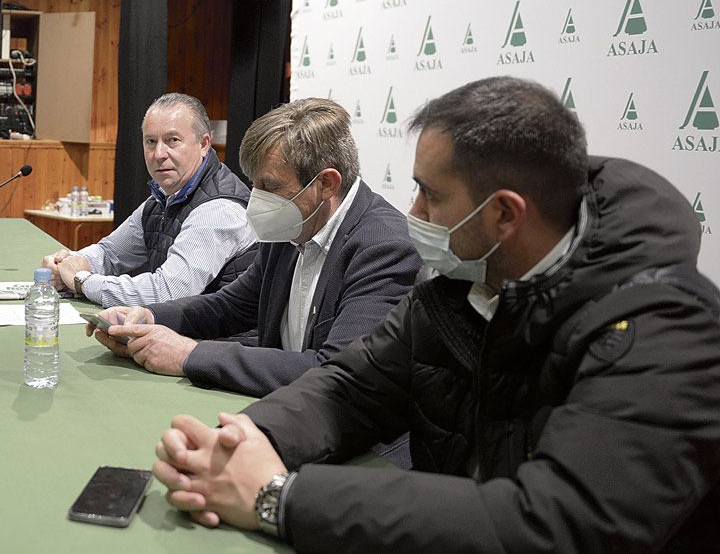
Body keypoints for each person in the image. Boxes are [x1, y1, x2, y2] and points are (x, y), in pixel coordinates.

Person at [150, 76, 720, 551]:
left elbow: (558, 521)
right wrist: (247, 439)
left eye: (430, 195)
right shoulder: (461, 286)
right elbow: (351, 386)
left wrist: (279, 498)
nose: (413, 210)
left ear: (505, 215)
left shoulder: (666, 333)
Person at [91, 99, 421, 405]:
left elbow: (335, 371)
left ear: (327, 184)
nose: (257, 199)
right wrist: (147, 316)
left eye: (270, 186)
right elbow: (231, 306)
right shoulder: (292, 225)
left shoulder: (385, 248)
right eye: (255, 184)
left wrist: (191, 355)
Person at [41, 93, 257, 306]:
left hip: (222, 339)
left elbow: (166, 292)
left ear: (204, 144)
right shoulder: (163, 198)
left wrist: (82, 281)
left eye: (172, 140)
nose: (158, 153)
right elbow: (111, 252)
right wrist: (70, 263)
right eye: (151, 141)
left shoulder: (219, 209)